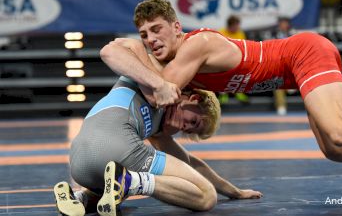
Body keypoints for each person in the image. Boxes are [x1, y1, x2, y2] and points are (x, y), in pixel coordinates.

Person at [101, 0, 342, 176]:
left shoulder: (195, 46)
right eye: (144, 35)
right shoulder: (176, 65)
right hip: (293, 73)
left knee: (340, 129)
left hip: (303, 53)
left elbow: (156, 94)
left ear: (177, 27)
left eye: (157, 30)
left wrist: (143, 66)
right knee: (334, 149)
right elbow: (112, 50)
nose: (151, 40)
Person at [54, 76, 262, 216]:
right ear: (193, 98)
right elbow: (121, 51)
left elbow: (190, 164)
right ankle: (133, 181)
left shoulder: (158, 129)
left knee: (113, 192)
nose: (184, 126)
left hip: (78, 162)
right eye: (193, 121)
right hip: (118, 145)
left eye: (188, 130)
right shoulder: (155, 80)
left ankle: (78, 199)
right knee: (207, 197)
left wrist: (235, 192)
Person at [217, 15, 249, 105]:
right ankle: (223, 94)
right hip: (222, 59)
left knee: (244, 69)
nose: (238, 28)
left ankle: (239, 93)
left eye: (238, 25)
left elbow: (244, 48)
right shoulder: (221, 33)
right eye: (236, 26)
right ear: (230, 26)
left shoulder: (240, 33)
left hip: (237, 59)